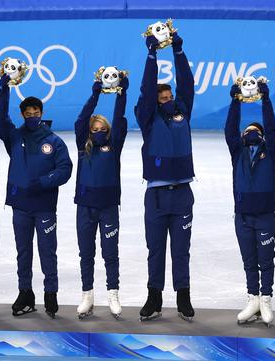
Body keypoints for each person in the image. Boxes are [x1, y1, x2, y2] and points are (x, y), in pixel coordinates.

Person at [0, 74, 73, 319]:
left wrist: (44, 182)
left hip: (44, 206)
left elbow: (65, 169)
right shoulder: (15, 137)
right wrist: (4, 89)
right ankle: (25, 293)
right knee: (23, 251)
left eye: (35, 111)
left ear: (41, 112)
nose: (31, 115)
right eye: (27, 113)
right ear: (22, 115)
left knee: (48, 251)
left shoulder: (54, 141)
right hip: (20, 206)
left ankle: (51, 294)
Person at [135, 31, 196, 322]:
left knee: (181, 251)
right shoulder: (147, 117)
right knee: (155, 249)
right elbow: (147, 90)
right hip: (156, 196)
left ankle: (183, 296)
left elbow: (187, 83)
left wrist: (178, 51)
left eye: (169, 96)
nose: (168, 100)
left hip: (183, 193)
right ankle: (154, 297)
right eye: (162, 97)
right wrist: (152, 54)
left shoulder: (183, 111)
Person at [224, 81, 275, 326]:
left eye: (256, 131)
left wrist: (265, 100)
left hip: (266, 215)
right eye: (247, 131)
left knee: (266, 260)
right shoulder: (237, 152)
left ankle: (266, 299)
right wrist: (235, 101)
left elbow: (272, 128)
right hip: (243, 216)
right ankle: (253, 299)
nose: (251, 133)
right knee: (249, 260)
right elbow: (229, 129)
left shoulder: (271, 150)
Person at [74, 76, 129, 319]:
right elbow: (80, 120)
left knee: (110, 253)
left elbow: (119, 119)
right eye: (94, 130)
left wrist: (121, 95)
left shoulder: (113, 145)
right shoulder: (81, 146)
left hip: (108, 208)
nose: (98, 132)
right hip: (85, 208)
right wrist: (95, 95)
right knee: (86, 252)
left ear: (108, 131)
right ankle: (87, 294)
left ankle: (113, 293)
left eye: (102, 130)